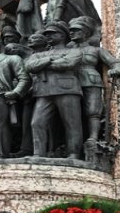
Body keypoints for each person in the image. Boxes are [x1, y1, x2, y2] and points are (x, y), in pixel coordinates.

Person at [25, 21, 85, 159]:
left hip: (67, 89)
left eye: (53, 33)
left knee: (72, 123)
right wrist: (51, 59)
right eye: (47, 34)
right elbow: (30, 66)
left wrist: (44, 63)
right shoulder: (39, 54)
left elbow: (68, 63)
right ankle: (38, 153)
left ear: (63, 36)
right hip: (43, 92)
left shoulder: (74, 51)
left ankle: (74, 154)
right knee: (37, 122)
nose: (49, 36)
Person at [66, 17, 120, 145]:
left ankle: (93, 138)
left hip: (91, 81)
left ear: (85, 33)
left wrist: (116, 70)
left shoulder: (96, 50)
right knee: (71, 113)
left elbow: (115, 62)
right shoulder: (66, 50)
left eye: (76, 30)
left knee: (93, 111)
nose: (71, 33)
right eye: (70, 30)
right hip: (70, 83)